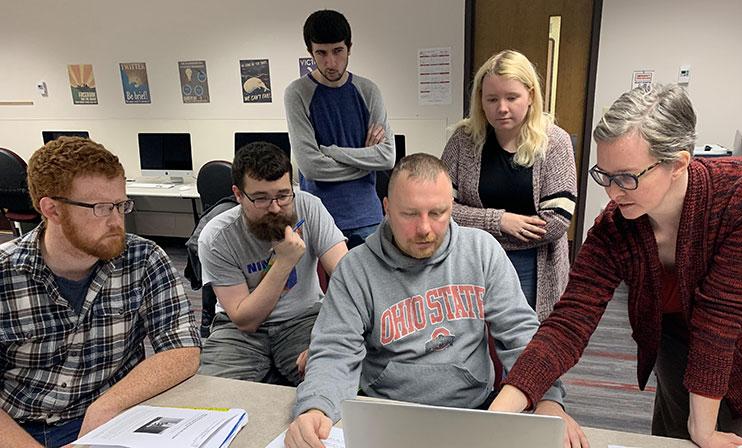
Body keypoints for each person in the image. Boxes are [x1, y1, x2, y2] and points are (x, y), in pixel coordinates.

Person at [490, 84, 742, 448]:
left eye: (626, 177)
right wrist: (498, 415)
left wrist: (703, 430)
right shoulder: (616, 227)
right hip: (677, 341)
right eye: (604, 175)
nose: (612, 192)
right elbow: (569, 321)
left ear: (679, 163)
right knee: (671, 439)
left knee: (722, 439)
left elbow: (720, 320)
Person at [285, 153, 585, 448]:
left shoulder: (482, 251)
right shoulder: (356, 269)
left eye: (437, 213)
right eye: (410, 214)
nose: (425, 229)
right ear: (386, 208)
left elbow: (520, 335)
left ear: (451, 207)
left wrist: (548, 400)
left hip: (476, 413)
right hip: (385, 418)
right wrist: (317, 407)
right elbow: (335, 351)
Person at [0, 137, 201, 448]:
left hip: (113, 418)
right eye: (101, 208)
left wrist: (107, 405)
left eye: (121, 205)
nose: (117, 221)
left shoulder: (143, 258)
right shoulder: (5, 273)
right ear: (52, 209)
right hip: (21, 427)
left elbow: (183, 349)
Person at [197, 142, 347, 385]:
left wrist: (332, 338)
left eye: (282, 195)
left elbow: (349, 279)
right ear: (238, 194)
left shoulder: (308, 207)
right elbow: (246, 320)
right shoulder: (216, 237)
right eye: (261, 198)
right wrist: (284, 262)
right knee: (214, 394)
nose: (275, 207)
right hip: (238, 332)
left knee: (334, 380)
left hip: (304, 319)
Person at [441, 50, 576, 317]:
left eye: (512, 97)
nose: (501, 108)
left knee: (525, 343)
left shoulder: (554, 142)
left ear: (531, 96)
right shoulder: (463, 140)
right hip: (472, 261)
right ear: (480, 100)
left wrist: (477, 228)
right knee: (474, 338)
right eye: (492, 99)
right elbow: (440, 208)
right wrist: (499, 222)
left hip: (533, 267)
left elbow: (556, 222)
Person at [284, 9, 395, 248]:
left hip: (368, 216)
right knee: (325, 287)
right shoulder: (297, 94)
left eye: (338, 51)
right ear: (310, 52)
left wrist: (333, 152)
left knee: (372, 285)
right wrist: (365, 162)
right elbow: (311, 167)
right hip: (320, 217)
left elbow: (387, 157)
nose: (331, 62)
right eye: (321, 53)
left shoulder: (369, 91)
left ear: (349, 47)